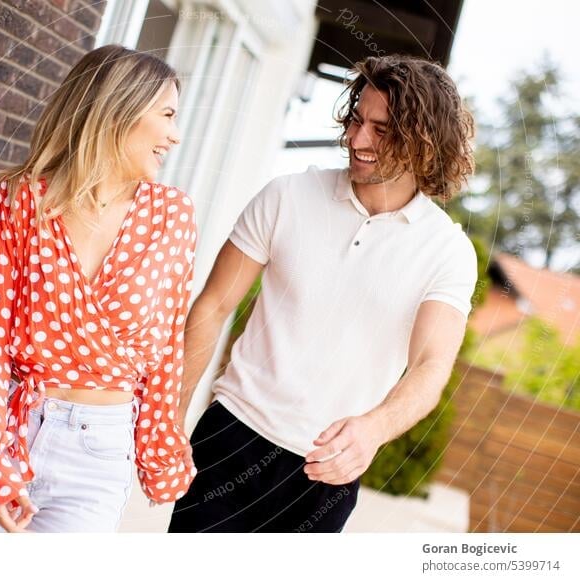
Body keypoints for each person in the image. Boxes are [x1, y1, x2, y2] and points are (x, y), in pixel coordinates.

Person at [168, 55, 478, 533]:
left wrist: (374, 430)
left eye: (382, 129)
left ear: (424, 142)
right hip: (230, 437)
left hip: (327, 474)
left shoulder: (447, 252)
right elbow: (213, 305)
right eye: (357, 120)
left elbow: (431, 366)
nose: (357, 140)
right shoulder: (286, 196)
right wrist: (169, 417)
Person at [0, 44, 197, 533]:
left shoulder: (173, 216)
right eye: (166, 115)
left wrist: (159, 450)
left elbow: (167, 346)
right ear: (119, 108)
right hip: (9, 433)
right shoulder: (19, 201)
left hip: (97, 454)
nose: (175, 135)